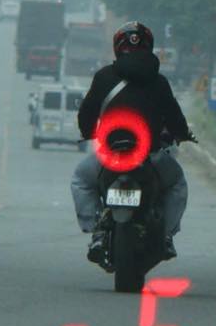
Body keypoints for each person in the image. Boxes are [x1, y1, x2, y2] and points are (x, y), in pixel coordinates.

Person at [70, 21, 195, 265]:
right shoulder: (159, 82)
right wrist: (182, 134)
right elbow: (175, 118)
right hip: (150, 156)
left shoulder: (103, 77)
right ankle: (167, 236)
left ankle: (96, 232)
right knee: (177, 184)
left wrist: (88, 132)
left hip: (110, 156)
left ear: (118, 47)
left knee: (81, 180)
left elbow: (86, 113)